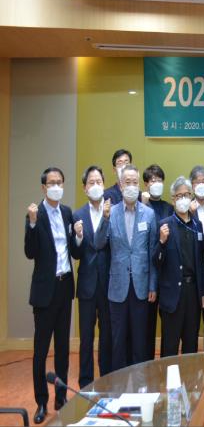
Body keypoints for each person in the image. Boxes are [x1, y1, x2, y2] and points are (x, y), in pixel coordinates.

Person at [25, 167, 82, 424]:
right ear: (43, 187)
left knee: (62, 348)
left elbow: (74, 252)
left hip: (64, 287)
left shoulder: (68, 213)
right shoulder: (35, 214)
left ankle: (61, 397)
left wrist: (78, 237)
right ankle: (41, 402)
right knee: (40, 351)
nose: (56, 186)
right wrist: (32, 223)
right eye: (51, 183)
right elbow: (30, 252)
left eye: (60, 182)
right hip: (44, 292)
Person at [94, 164, 158, 370]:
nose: (131, 186)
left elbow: (153, 253)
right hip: (118, 286)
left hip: (141, 286)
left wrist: (152, 285)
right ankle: (118, 385)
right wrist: (104, 219)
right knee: (118, 341)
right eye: (127, 182)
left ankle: (139, 384)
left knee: (140, 341)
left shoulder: (149, 214)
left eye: (134, 182)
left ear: (139, 186)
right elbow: (98, 243)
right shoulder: (110, 213)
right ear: (120, 186)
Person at [154, 177, 204, 356]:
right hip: (172, 294)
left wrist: (203, 292)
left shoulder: (197, 225)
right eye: (179, 196)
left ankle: (189, 375)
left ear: (191, 196)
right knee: (170, 345)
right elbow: (156, 261)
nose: (183, 199)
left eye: (186, 194)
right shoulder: (164, 225)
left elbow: (202, 261)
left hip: (193, 293)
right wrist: (162, 242)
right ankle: (169, 376)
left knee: (191, 343)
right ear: (173, 199)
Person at [73, 166, 111, 389]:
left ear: (104, 185)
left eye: (99, 182)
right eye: (91, 182)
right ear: (84, 188)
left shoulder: (113, 211)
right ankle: (85, 383)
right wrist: (78, 237)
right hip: (87, 285)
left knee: (107, 336)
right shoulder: (77, 215)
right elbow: (75, 253)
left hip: (108, 284)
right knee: (86, 338)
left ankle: (106, 379)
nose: (95, 186)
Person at [140, 163, 173, 360]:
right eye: (152, 180)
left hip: (167, 273)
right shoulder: (141, 207)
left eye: (159, 180)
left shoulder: (169, 208)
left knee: (168, 324)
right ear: (146, 184)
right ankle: (147, 363)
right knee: (148, 324)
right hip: (148, 274)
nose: (156, 183)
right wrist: (144, 204)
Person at [189, 165, 204, 351]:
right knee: (191, 326)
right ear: (192, 185)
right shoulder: (185, 209)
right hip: (194, 274)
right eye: (197, 182)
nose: (201, 185)